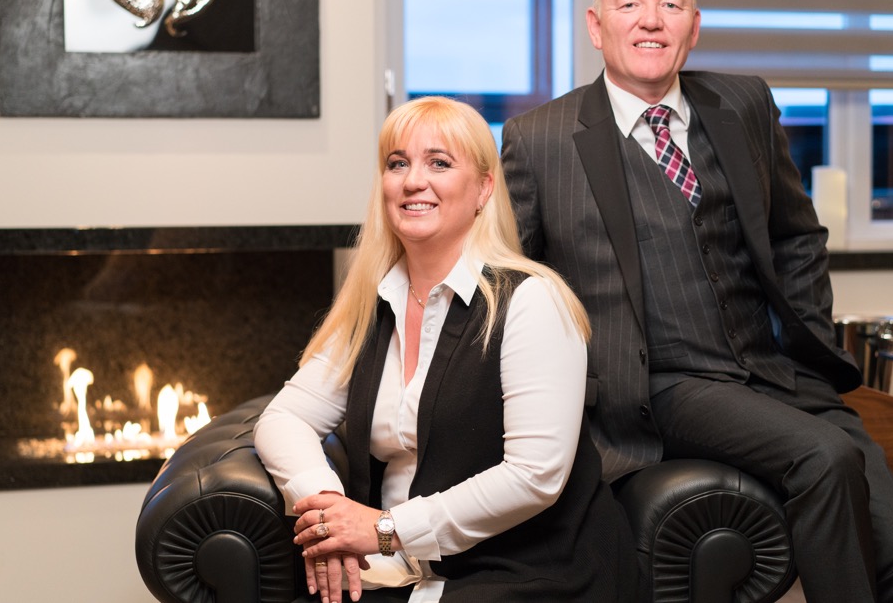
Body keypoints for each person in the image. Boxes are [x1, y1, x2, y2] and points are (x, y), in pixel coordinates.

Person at [501, 0, 893, 603]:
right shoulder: (542, 140)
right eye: (629, 4)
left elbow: (797, 235)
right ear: (596, 25)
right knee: (823, 456)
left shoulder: (745, 105)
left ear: (694, 25)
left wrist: (808, 332)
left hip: (776, 374)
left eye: (671, 4)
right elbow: (512, 286)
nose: (651, 20)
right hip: (661, 386)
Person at [254, 96, 634, 603]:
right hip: (396, 572)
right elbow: (283, 419)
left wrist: (387, 529)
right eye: (397, 163)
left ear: (483, 188)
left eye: (439, 162)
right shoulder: (374, 304)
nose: (413, 181)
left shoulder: (531, 301)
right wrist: (328, 513)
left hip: (527, 571)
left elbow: (534, 475)